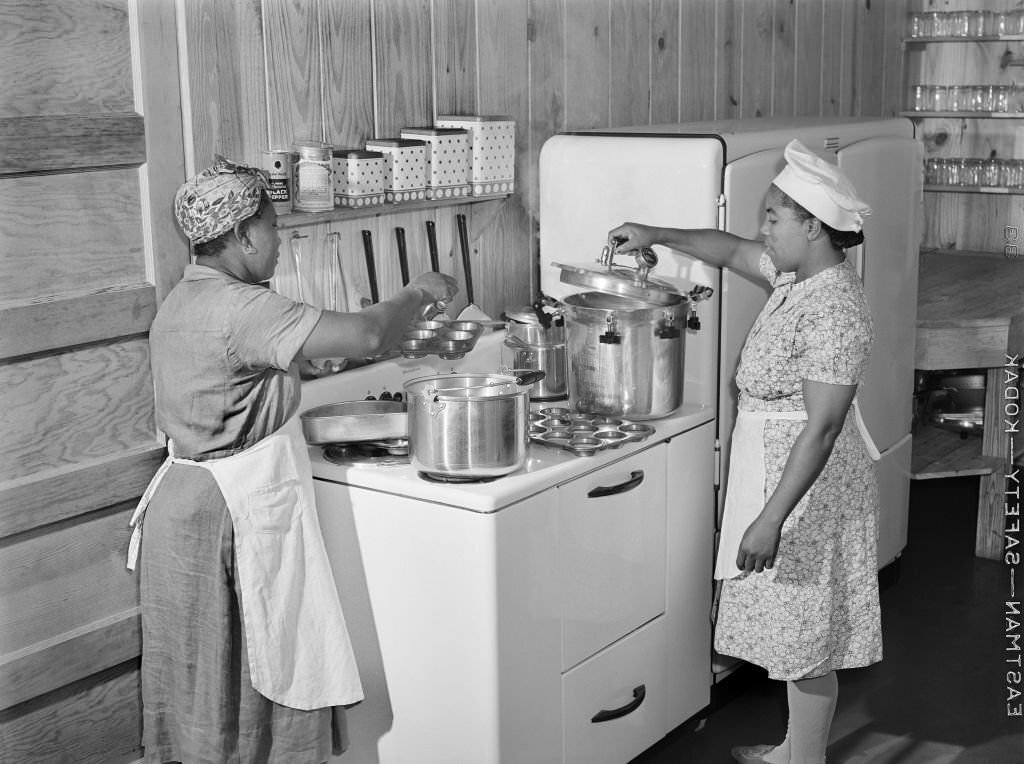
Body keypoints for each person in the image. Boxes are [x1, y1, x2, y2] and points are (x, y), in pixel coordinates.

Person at [127, 156, 458, 763]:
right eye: (275, 228)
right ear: (245, 234)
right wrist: (420, 291)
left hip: (185, 509)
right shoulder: (242, 308)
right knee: (257, 673)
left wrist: (303, 361)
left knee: (208, 691)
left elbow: (236, 374)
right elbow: (366, 336)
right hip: (225, 517)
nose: (280, 241)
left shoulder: (186, 299)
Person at [609, 139, 881, 764]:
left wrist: (770, 520)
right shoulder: (799, 275)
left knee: (805, 633)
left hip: (804, 491)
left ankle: (803, 761)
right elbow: (728, 248)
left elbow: (824, 427)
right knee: (794, 631)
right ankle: (796, 751)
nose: (762, 231)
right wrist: (653, 230)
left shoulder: (834, 307)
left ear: (814, 227)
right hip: (775, 470)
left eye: (774, 219)